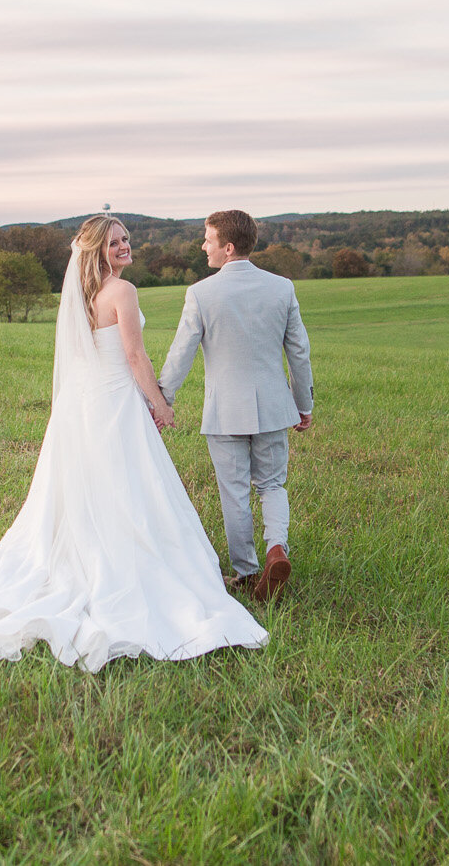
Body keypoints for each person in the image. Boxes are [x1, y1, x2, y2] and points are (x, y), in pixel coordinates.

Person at [0, 215, 268, 670]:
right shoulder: (122, 292)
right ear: (96, 251)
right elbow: (134, 355)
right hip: (114, 404)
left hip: (79, 405)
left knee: (88, 490)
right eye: (114, 243)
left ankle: (85, 561)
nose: (125, 246)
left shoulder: (82, 294)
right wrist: (160, 404)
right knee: (129, 488)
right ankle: (124, 574)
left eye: (126, 238)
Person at [159, 209, 314, 604]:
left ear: (227, 248)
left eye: (208, 239)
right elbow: (298, 351)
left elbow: (182, 353)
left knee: (235, 494)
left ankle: (246, 574)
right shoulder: (282, 288)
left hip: (224, 411)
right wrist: (303, 403)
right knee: (272, 484)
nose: (203, 246)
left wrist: (163, 400)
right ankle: (276, 548)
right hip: (274, 407)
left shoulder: (201, 293)